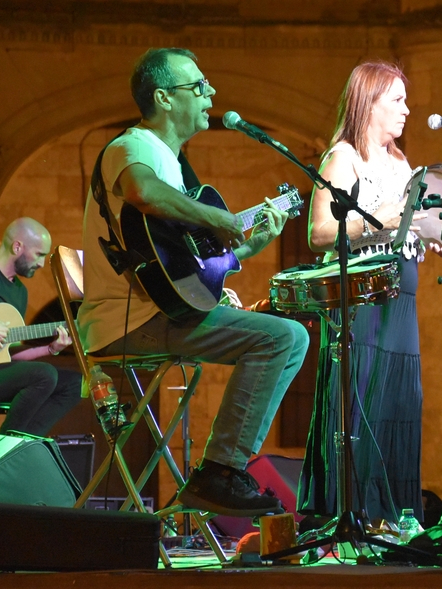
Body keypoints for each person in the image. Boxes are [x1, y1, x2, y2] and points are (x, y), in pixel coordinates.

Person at [78, 48, 309, 517]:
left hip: (161, 311)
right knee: (285, 337)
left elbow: (184, 271)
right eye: (198, 86)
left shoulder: (174, 164)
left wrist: (248, 246)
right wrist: (218, 217)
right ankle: (220, 471)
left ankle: (220, 470)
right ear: (163, 98)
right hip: (133, 321)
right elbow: (143, 191)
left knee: (283, 336)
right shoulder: (135, 147)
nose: (211, 94)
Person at [298, 61, 436, 525]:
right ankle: (351, 513)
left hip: (403, 298)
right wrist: (381, 219)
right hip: (361, 302)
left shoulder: (401, 162)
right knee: (360, 406)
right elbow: (319, 233)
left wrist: (434, 235)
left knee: (399, 404)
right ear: (369, 103)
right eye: (396, 100)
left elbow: (406, 224)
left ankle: (392, 515)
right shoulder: (343, 157)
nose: (407, 109)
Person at [0, 218, 80, 435]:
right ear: (17, 246)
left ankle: (21, 442)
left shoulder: (20, 292)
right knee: (44, 374)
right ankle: (6, 446)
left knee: (74, 384)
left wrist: (50, 349)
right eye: (39, 254)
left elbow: (10, 353)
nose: (42, 263)